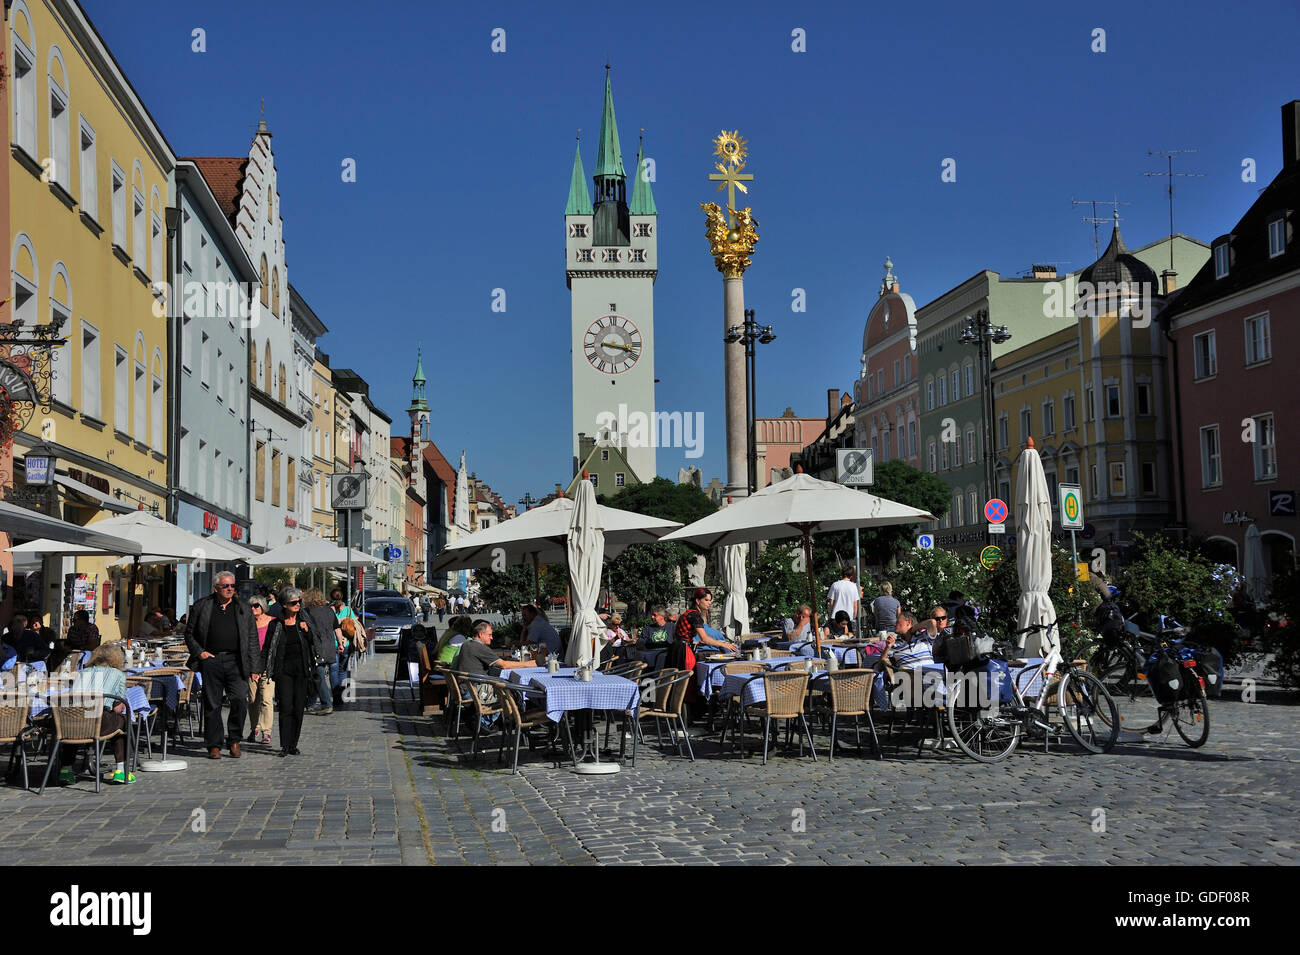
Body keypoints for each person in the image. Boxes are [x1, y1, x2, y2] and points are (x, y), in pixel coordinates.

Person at [182, 571, 261, 759]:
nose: (230, 589)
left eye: (233, 586)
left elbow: (252, 638)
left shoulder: (242, 607)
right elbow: (189, 634)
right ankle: (214, 744)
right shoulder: (202, 606)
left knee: (240, 700)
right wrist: (200, 652)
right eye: (226, 586)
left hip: (236, 660)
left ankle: (234, 740)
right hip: (212, 660)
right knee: (212, 704)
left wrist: (255, 667)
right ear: (216, 587)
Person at [62, 643, 133, 784]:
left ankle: (65, 770)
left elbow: (73, 696)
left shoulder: (83, 672)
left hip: (76, 718)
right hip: (100, 720)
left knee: (73, 727)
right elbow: (118, 707)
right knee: (121, 722)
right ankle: (121, 771)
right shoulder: (118, 675)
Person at [259, 587, 316, 757]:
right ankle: (284, 744)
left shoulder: (304, 621)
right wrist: (259, 668)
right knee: (285, 708)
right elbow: (267, 648)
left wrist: (308, 631)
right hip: (283, 671)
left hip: (302, 671)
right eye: (294, 602)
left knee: (298, 708)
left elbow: (314, 642)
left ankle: (293, 744)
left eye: (299, 602)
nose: (298, 605)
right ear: (284, 605)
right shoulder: (276, 625)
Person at [301, 589, 342, 716]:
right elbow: (337, 628)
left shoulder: (306, 611)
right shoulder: (329, 610)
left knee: (318, 676)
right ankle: (311, 703)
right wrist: (340, 644)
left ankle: (326, 704)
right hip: (330, 646)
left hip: (317, 647)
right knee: (318, 675)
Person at [246, 596, 276, 744]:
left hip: (268, 667)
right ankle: (254, 728)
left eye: (256, 606)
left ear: (263, 606)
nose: (253, 609)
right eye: (251, 606)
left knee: (266, 699)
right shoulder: (248, 623)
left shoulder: (273, 622)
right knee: (252, 700)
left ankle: (266, 731)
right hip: (251, 666)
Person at [675, 588, 737, 655]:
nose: (709, 603)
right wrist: (724, 644)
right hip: (683, 651)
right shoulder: (694, 615)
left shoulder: (689, 613)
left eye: (710, 600)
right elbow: (705, 638)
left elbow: (683, 638)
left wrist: (697, 643)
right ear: (698, 601)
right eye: (706, 600)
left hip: (678, 649)